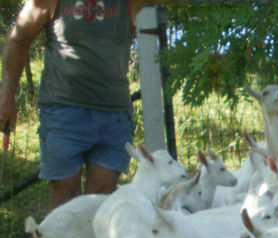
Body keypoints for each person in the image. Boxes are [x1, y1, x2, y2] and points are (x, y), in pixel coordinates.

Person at [0, 0, 168, 209]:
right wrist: (6, 98)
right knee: (66, 207)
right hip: (62, 112)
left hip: (113, 116)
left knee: (100, 207)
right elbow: (19, 39)